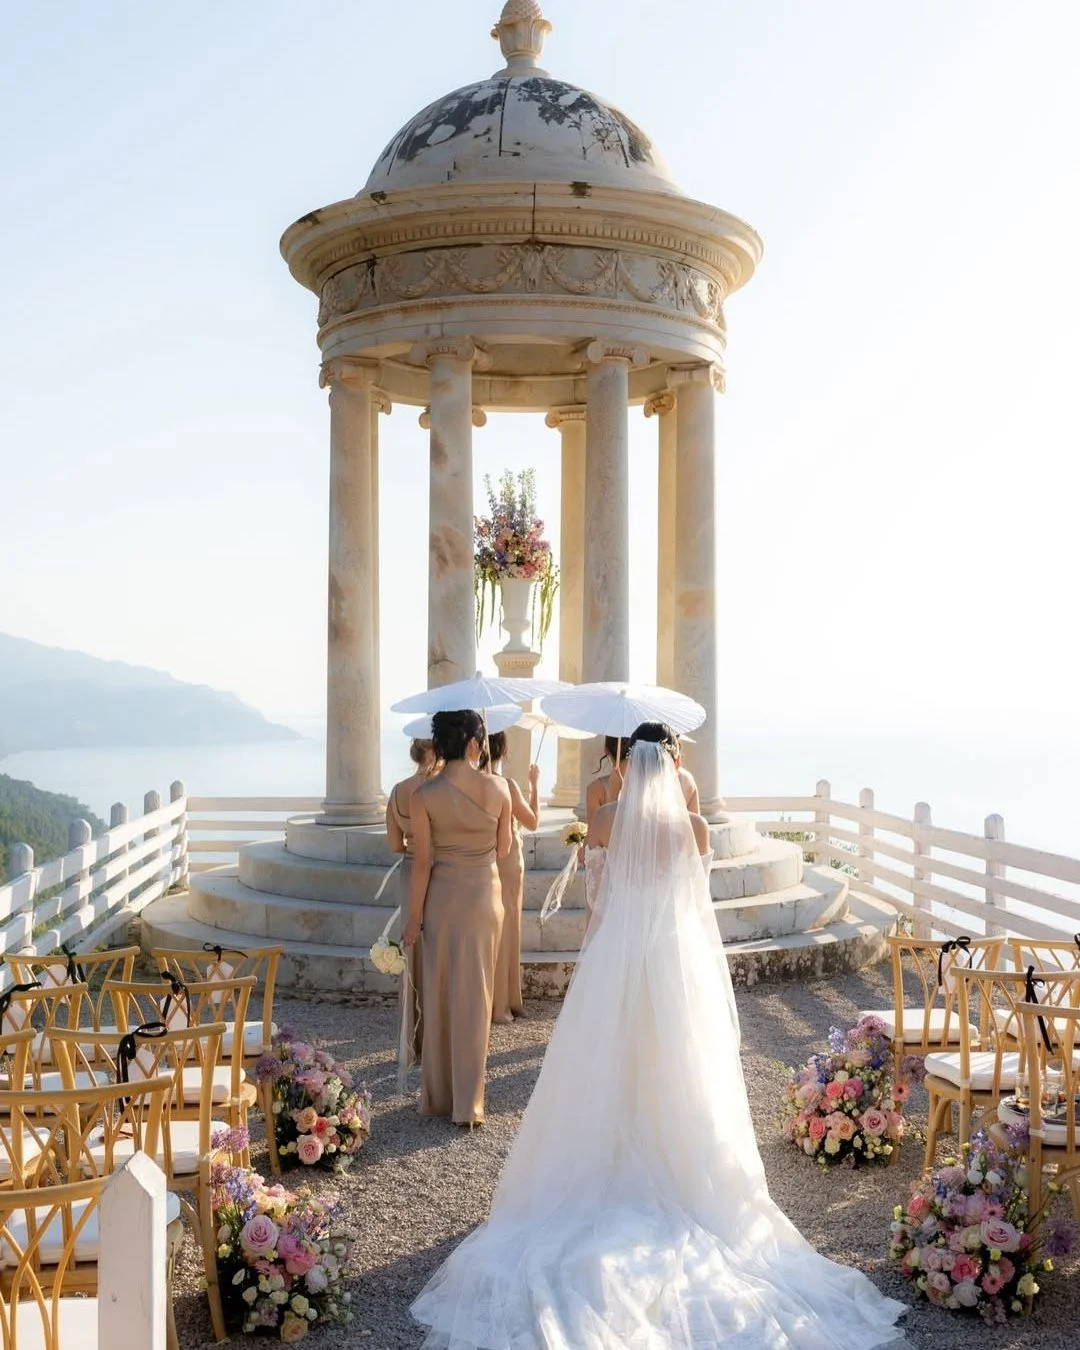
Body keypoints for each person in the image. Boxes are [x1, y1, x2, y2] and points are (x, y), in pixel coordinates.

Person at [411, 721, 909, 1348]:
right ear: (671, 763)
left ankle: (596, 1174)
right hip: (676, 959)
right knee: (682, 1066)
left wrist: (594, 968)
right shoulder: (694, 827)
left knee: (603, 1065)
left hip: (616, 953)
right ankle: (685, 1176)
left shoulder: (604, 820)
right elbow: (697, 911)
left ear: (626, 762)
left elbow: (598, 904)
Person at [403, 710, 512, 1127]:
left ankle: (438, 1097)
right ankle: (470, 1104)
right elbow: (503, 849)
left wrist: (413, 919)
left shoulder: (423, 795)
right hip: (484, 897)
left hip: (443, 899)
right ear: (473, 743)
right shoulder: (500, 787)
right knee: (476, 995)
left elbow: (422, 863)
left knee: (440, 992)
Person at [385, 738, 438, 1060]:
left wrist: (412, 847)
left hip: (408, 870)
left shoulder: (397, 791)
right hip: (440, 871)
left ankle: (412, 1038)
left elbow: (394, 844)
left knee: (412, 951)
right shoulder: (439, 790)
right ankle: (437, 1039)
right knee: (439, 952)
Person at [482, 731, 539, 1025]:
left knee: (485, 932)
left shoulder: (472, 784)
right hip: (508, 862)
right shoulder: (507, 785)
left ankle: (486, 1000)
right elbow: (533, 821)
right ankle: (506, 1002)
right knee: (508, 931)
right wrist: (535, 786)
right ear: (502, 750)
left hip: (481, 862)